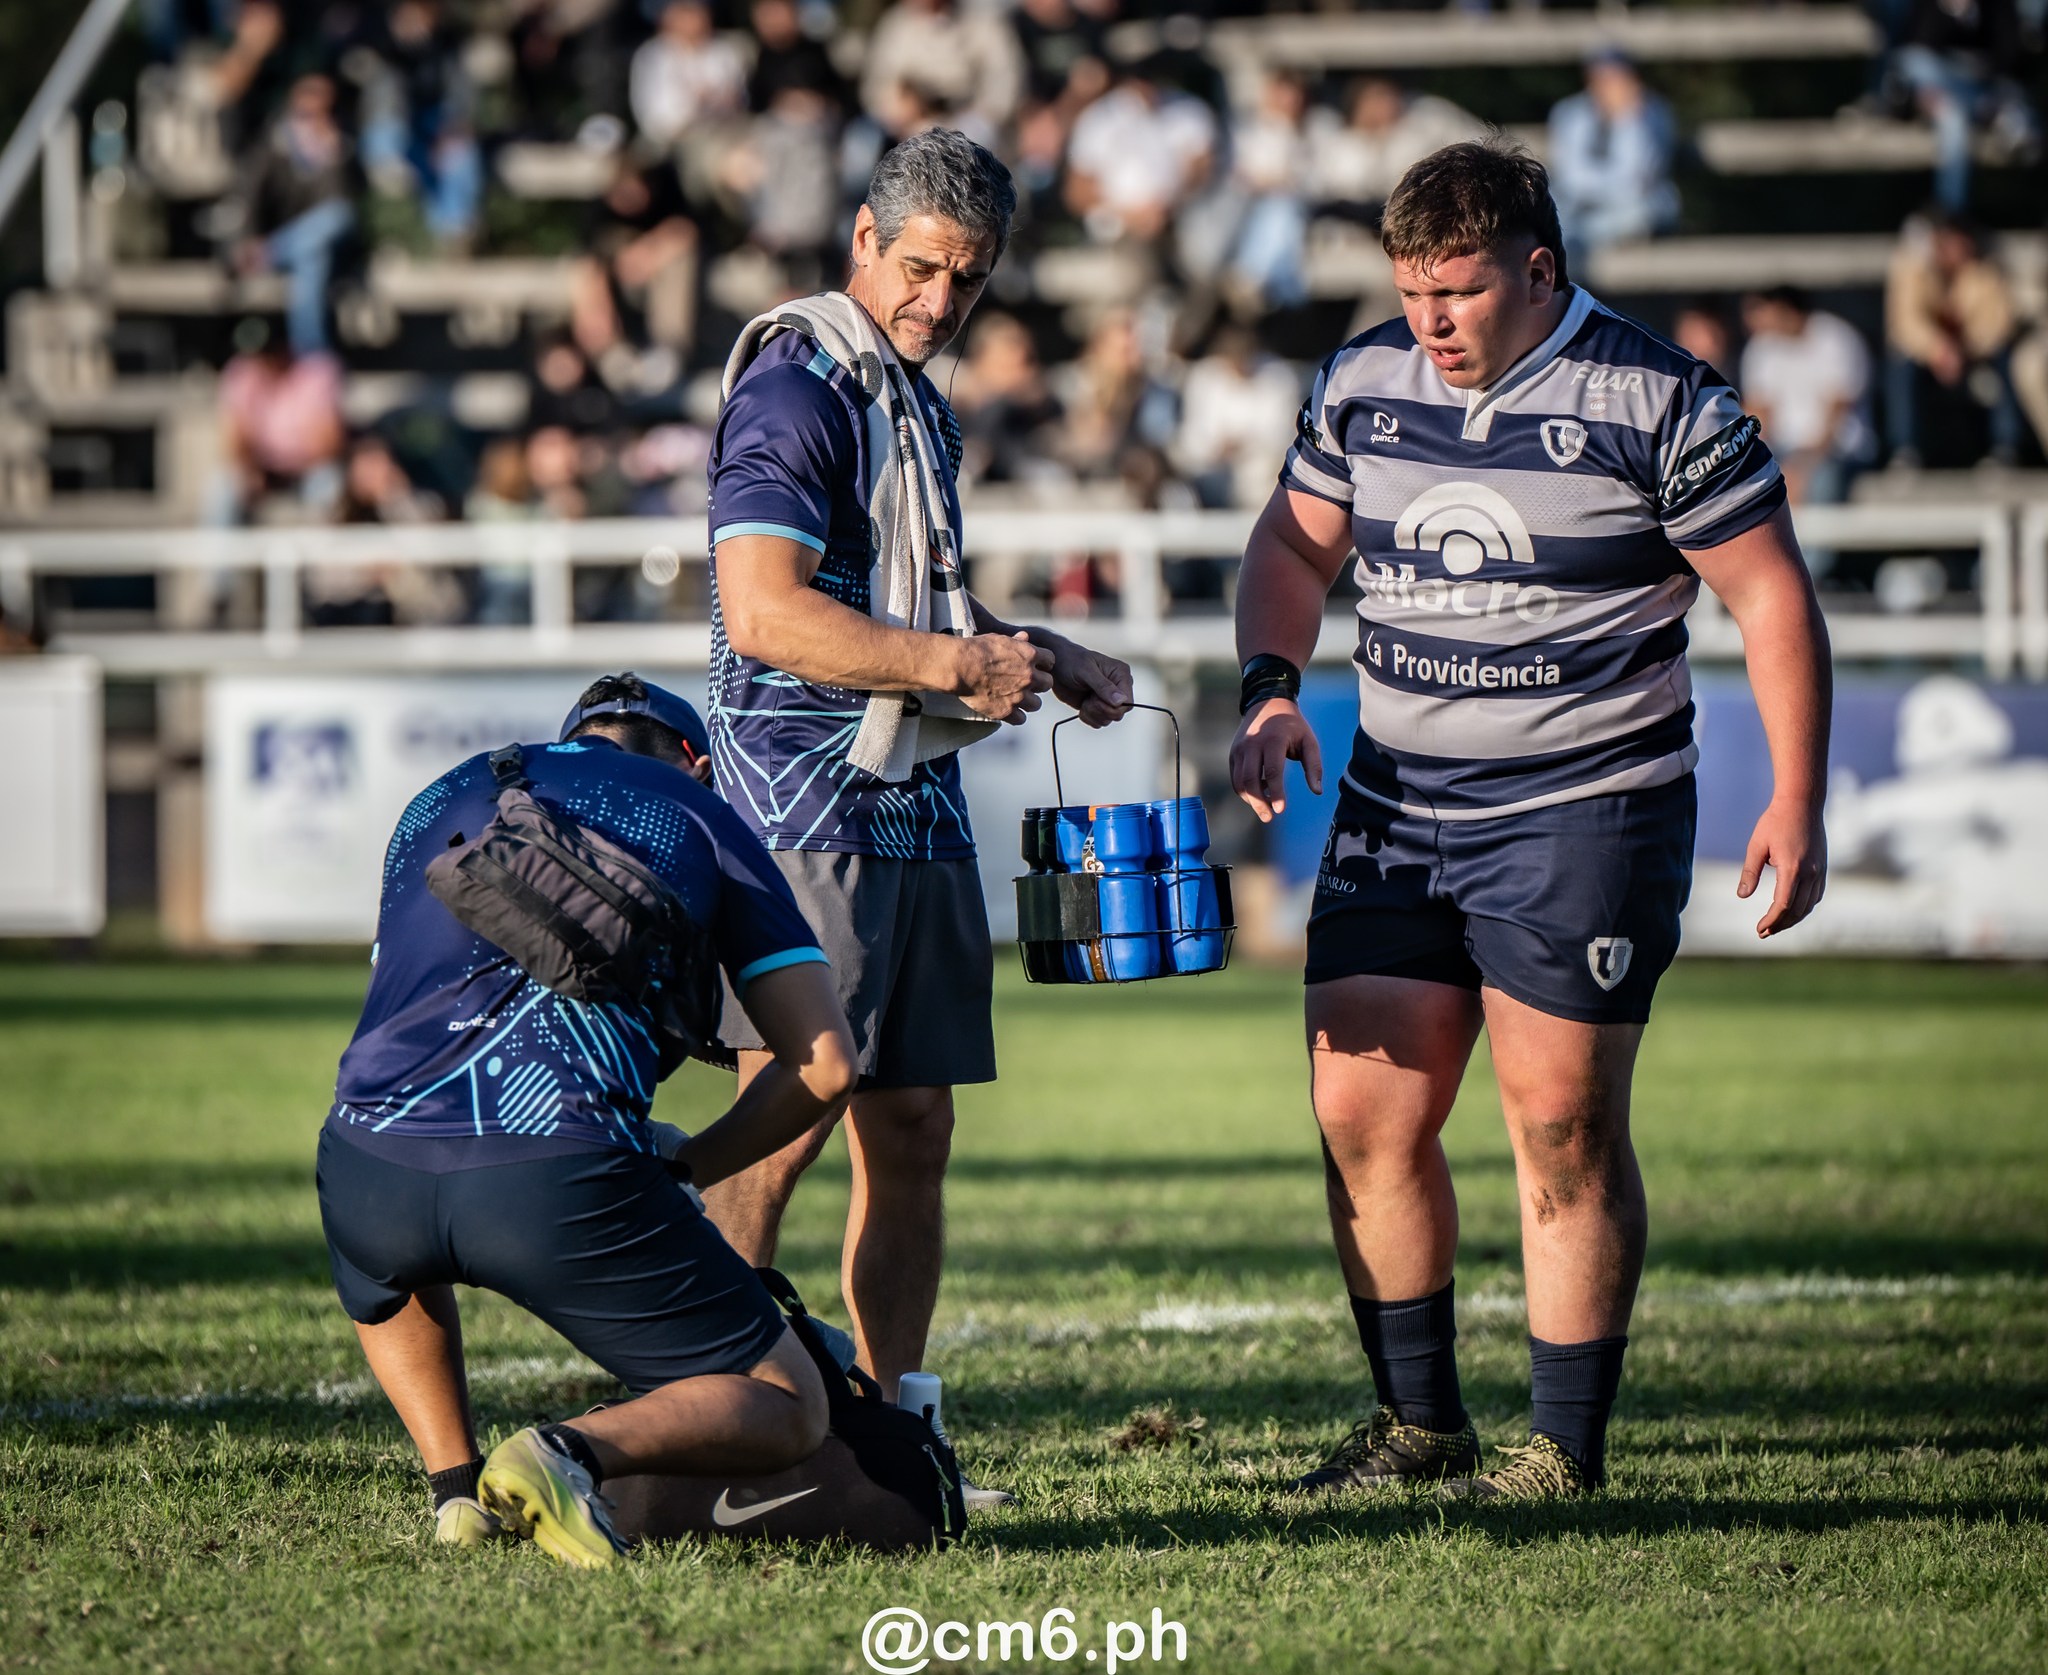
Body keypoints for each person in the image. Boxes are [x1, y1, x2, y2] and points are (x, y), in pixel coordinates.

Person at [1231, 140, 1830, 1501]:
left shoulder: (1659, 397)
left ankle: (1561, 1447)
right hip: (1397, 795)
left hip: (1584, 808)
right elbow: (1291, 545)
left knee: (1560, 1123)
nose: (1428, 321)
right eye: (1409, 290)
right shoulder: (1364, 382)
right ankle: (1421, 1428)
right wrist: (1271, 686)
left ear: (1538, 269)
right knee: (1363, 1111)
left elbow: (1772, 596)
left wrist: (1797, 794)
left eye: (1458, 291)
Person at [701, 129, 1134, 1505]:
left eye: (970, 279)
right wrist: (958, 664)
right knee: (783, 1115)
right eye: (923, 268)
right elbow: (763, 611)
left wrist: (1036, 650)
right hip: (802, 797)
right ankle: (716, 1427)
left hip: (915, 791)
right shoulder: (797, 382)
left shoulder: (917, 394)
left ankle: (891, 1440)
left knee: (915, 1124)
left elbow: (920, 612)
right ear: (863, 244)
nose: (942, 303)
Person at [316, 673, 859, 1567]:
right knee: (790, 1399)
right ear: (697, 760)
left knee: (395, 1217)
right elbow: (825, 1064)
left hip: (363, 1169)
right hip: (553, 1180)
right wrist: (691, 1166)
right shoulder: (698, 810)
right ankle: (562, 1453)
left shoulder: (441, 795)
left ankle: (455, 1496)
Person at [1884, 210, 2025, 468]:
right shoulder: (1912, 267)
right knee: (1900, 360)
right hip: (1931, 359)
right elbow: (1905, 322)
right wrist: (1938, 350)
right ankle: (1905, 450)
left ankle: (2005, 448)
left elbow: (1998, 324)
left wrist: (1963, 349)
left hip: (1975, 356)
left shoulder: (1986, 271)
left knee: (2008, 358)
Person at [1740, 285, 1875, 516]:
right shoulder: (1761, 347)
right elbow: (1757, 415)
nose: (1753, 322)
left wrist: (1800, 467)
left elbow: (1835, 422)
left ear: (1783, 310)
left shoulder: (1836, 339)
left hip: (1837, 453)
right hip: (1784, 452)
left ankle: (1806, 554)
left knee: (1821, 485)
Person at [1546, 49, 1679, 255]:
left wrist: (1628, 119)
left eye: (1616, 77)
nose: (1610, 85)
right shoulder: (1570, 112)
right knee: (1555, 209)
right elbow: (1572, 177)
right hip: (1581, 205)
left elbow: (1638, 176)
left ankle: (1581, 239)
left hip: (1632, 207)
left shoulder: (1652, 113)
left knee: (1648, 210)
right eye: (1602, 77)